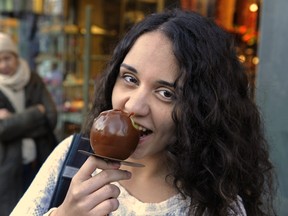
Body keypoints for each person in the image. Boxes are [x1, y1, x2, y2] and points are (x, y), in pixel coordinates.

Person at [11, 9, 276, 216]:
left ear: (201, 110)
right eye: (130, 78)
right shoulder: (69, 160)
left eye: (166, 93)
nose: (133, 106)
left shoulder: (217, 203)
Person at [0, 32, 58, 215]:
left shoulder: (32, 79)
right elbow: (2, 130)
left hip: (40, 160)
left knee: (41, 207)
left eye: (7, 58)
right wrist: (35, 113)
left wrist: (14, 123)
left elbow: (51, 117)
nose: (3, 65)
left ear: (16, 56)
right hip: (7, 168)